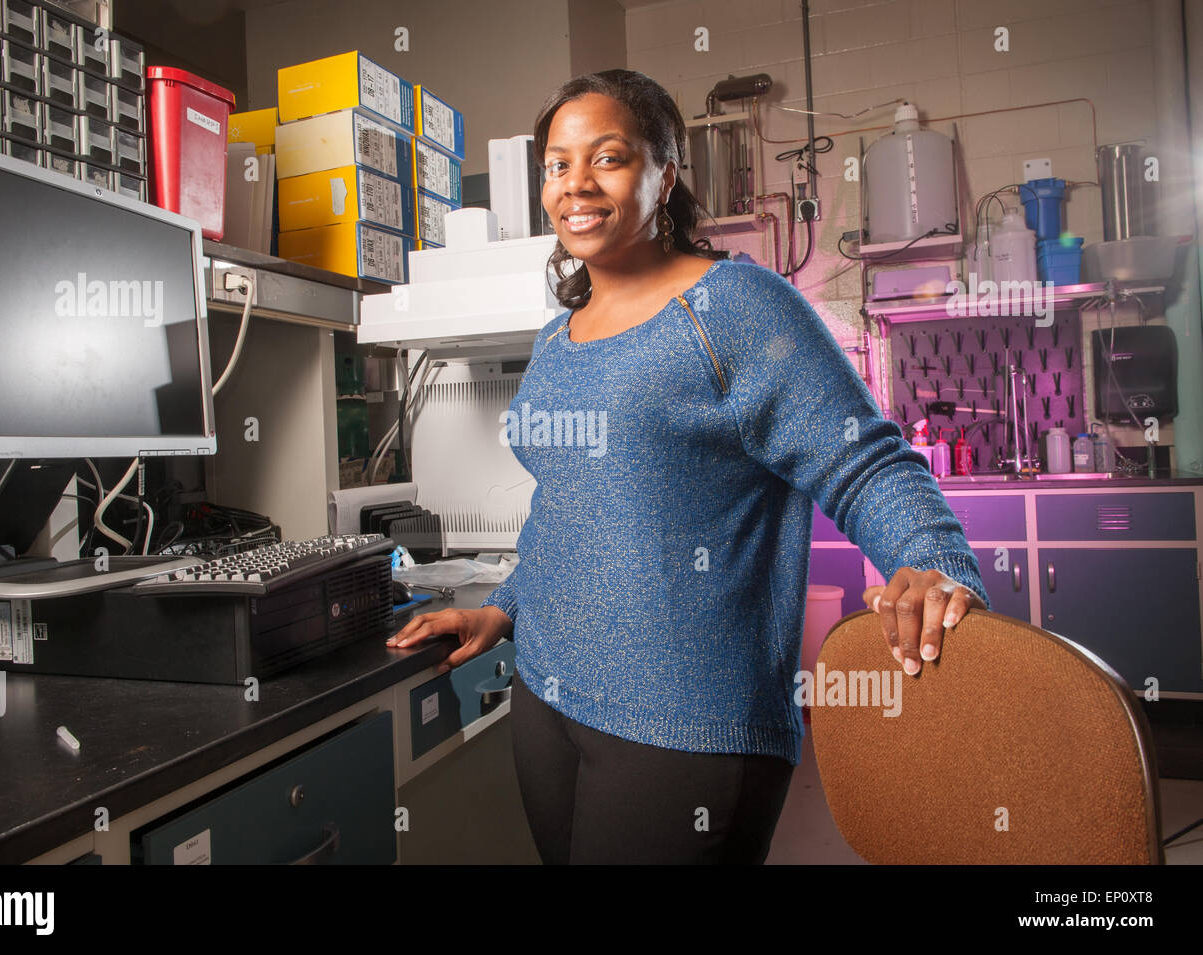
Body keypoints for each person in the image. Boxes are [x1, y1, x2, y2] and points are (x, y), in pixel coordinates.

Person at [387, 69, 989, 865]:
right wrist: (503, 607)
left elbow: (866, 460)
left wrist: (933, 563)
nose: (577, 185)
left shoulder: (735, 308)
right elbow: (565, 505)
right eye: (557, 165)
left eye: (607, 158)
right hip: (547, 696)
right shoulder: (557, 338)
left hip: (683, 727)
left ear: (664, 175)